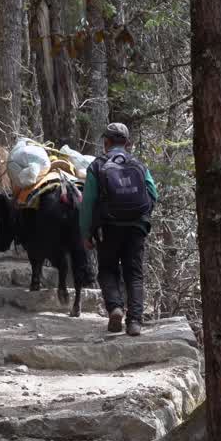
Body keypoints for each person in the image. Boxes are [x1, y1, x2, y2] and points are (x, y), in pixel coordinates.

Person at [78, 123, 159, 336]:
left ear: (106, 143)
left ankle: (114, 308)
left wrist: (86, 233)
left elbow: (87, 203)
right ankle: (135, 322)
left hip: (108, 226)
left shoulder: (97, 166)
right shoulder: (139, 165)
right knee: (134, 273)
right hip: (136, 227)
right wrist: (141, 217)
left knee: (107, 269)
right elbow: (153, 193)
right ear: (128, 143)